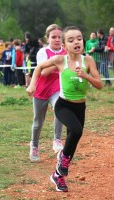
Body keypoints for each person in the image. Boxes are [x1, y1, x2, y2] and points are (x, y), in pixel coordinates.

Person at [26, 26, 103, 192]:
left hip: (80, 106)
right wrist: (32, 85)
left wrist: (86, 75)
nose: (76, 42)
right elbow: (39, 68)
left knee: (72, 141)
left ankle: (58, 176)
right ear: (65, 45)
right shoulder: (60, 60)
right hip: (63, 105)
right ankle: (60, 159)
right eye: (71, 40)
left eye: (79, 38)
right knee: (76, 131)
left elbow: (100, 85)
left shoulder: (88, 60)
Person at [27, 24, 67, 163]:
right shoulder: (43, 52)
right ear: (47, 38)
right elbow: (43, 72)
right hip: (41, 90)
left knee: (60, 108)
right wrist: (58, 62)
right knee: (38, 122)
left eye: (59, 37)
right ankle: (34, 146)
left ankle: (57, 139)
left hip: (57, 89)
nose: (57, 40)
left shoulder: (66, 52)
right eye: (53, 37)